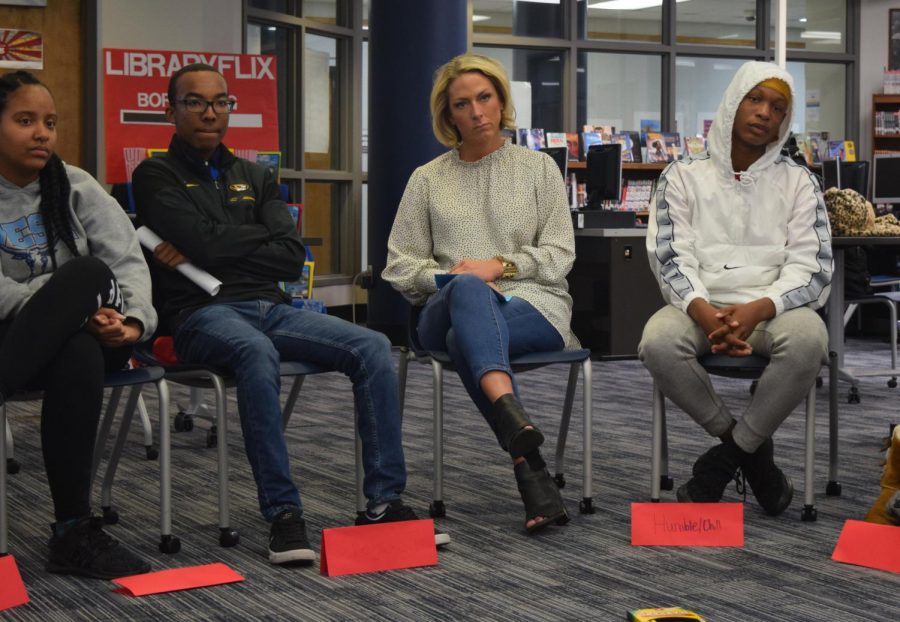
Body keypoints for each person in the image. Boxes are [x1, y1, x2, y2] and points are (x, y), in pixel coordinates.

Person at [132, 63, 447, 566]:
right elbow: (204, 243)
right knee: (255, 354)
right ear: (171, 110)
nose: (210, 112)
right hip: (200, 314)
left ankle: (385, 503)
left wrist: (213, 244)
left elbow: (287, 254)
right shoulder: (154, 174)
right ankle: (283, 513)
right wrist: (233, 240)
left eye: (220, 102)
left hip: (273, 307)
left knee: (370, 346)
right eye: (195, 102)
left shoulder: (256, 175)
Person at [382, 54, 577, 534]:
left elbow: (560, 253)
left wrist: (502, 265)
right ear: (448, 115)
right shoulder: (427, 179)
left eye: (485, 98)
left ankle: (524, 456)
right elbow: (399, 265)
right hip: (444, 307)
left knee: (462, 343)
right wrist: (453, 278)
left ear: (501, 100)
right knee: (467, 293)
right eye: (462, 104)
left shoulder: (539, 170)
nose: (476, 112)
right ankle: (515, 426)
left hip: (533, 304)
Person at [638, 61, 832, 516]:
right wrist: (704, 311)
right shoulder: (682, 175)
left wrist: (759, 308)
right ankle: (748, 451)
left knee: (810, 341)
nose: (765, 113)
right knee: (657, 342)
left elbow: (813, 267)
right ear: (733, 104)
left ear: (785, 122)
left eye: (778, 107)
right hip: (699, 306)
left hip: (774, 307)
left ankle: (725, 460)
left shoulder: (800, 182)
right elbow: (670, 257)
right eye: (755, 99)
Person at [0, 70, 156, 578]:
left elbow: (128, 262)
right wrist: (68, 310)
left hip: (102, 330)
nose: (42, 133)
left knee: (88, 271)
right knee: (76, 348)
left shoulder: (75, 185)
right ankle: (72, 532)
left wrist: (132, 323)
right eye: (25, 121)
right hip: (20, 338)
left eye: (49, 122)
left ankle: (73, 531)